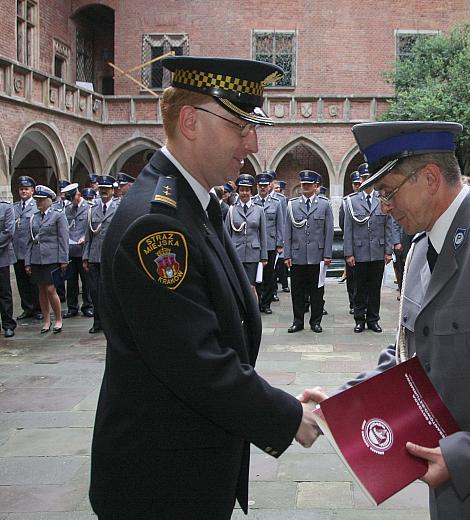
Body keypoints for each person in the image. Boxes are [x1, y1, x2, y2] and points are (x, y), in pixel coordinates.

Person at [302, 121, 470, 519]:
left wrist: (468, 455)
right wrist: (345, 402)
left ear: (429, 178)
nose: (383, 206)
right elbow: (411, 354)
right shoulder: (421, 248)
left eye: (388, 191)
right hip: (450, 488)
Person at [89, 56, 320, 519]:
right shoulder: (158, 224)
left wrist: (270, 401)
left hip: (185, 467)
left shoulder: (192, 204)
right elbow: (194, 360)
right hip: (160, 485)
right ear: (190, 121)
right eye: (240, 125)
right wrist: (283, 416)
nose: (252, 142)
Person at [343, 166, 394, 333]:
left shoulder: (382, 199)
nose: (367, 180)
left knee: (374, 288)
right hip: (359, 252)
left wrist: (388, 251)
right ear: (361, 180)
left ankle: (373, 319)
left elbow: (388, 226)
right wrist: (348, 253)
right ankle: (359, 319)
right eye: (364, 178)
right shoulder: (351, 201)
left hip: (377, 252)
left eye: (370, 177)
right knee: (359, 288)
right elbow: (348, 230)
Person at [284, 170, 333, 334]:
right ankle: (298, 321)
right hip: (297, 255)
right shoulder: (292, 205)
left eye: (309, 184)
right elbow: (287, 232)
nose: (305, 186)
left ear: (315, 186)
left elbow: (328, 232)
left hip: (317, 255)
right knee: (297, 290)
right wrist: (287, 254)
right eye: (303, 184)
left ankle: (316, 321)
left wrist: (327, 254)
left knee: (317, 291)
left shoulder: (324, 205)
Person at [25, 185, 68, 334]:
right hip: (37, 258)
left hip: (52, 258)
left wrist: (64, 259)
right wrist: (27, 261)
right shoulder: (34, 218)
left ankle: (58, 318)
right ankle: (46, 320)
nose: (38, 203)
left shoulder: (58, 215)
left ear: (48, 201)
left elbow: (63, 238)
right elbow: (29, 240)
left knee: (51, 289)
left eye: (41, 200)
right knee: (41, 290)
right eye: (37, 200)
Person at [82, 175, 119, 334]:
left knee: (110, 291)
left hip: (110, 256)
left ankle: (112, 322)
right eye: (101, 189)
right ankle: (98, 321)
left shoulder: (118, 208)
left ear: (112, 190)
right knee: (95, 291)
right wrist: (85, 256)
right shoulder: (92, 209)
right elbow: (88, 234)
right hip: (95, 256)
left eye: (107, 189)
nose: (103, 192)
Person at [225, 173, 268, 303]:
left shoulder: (259, 210)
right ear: (238, 191)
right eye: (242, 190)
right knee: (237, 286)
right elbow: (227, 233)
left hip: (253, 254)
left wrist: (264, 256)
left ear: (251, 191)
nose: (244, 193)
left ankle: (252, 312)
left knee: (251, 286)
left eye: (247, 190)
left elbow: (262, 234)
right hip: (236, 253)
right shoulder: (232, 210)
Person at [253, 172, 284, 314]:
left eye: (265, 186)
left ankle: (266, 303)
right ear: (257, 186)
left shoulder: (276, 204)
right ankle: (256, 301)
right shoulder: (253, 202)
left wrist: (279, 243)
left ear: (269, 186)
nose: (263, 188)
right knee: (255, 275)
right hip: (256, 243)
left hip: (271, 244)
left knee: (269, 275)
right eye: (261, 186)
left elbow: (280, 224)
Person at [12, 175, 42, 320]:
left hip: (31, 250)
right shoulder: (14, 207)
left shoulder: (37, 206)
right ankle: (27, 308)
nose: (23, 191)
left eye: (26, 189)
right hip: (17, 250)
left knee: (34, 282)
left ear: (32, 190)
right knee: (21, 282)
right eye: (21, 189)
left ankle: (38, 308)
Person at [61, 184, 92, 318]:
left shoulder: (89, 208)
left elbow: (91, 227)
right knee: (71, 281)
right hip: (71, 250)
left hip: (83, 250)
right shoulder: (67, 209)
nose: (71, 202)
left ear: (78, 195)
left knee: (86, 281)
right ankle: (72, 307)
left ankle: (88, 306)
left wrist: (84, 238)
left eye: (72, 198)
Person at [339, 170, 363, 314]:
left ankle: (362, 303)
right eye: (355, 184)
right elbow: (343, 223)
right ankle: (352, 303)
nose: (358, 186)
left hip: (365, 246)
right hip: (352, 243)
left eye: (360, 183)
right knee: (352, 277)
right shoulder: (347, 201)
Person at [0, 198, 16, 337]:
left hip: (1, 256)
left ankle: (8, 325)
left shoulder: (5, 207)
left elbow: (8, 231)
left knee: (4, 292)